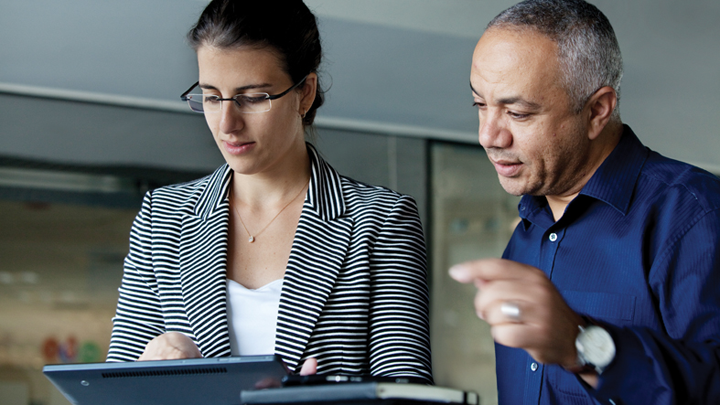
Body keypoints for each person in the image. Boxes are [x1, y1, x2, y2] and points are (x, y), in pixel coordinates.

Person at [106, 0, 433, 384]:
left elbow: (405, 390)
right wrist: (147, 372)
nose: (227, 124)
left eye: (252, 98)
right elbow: (114, 389)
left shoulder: (381, 220)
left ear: (305, 93)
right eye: (212, 97)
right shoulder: (162, 216)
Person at [449, 0, 720, 403]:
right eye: (481, 105)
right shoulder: (525, 234)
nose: (488, 136)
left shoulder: (694, 214)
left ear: (597, 110)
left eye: (518, 113)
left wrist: (584, 346)